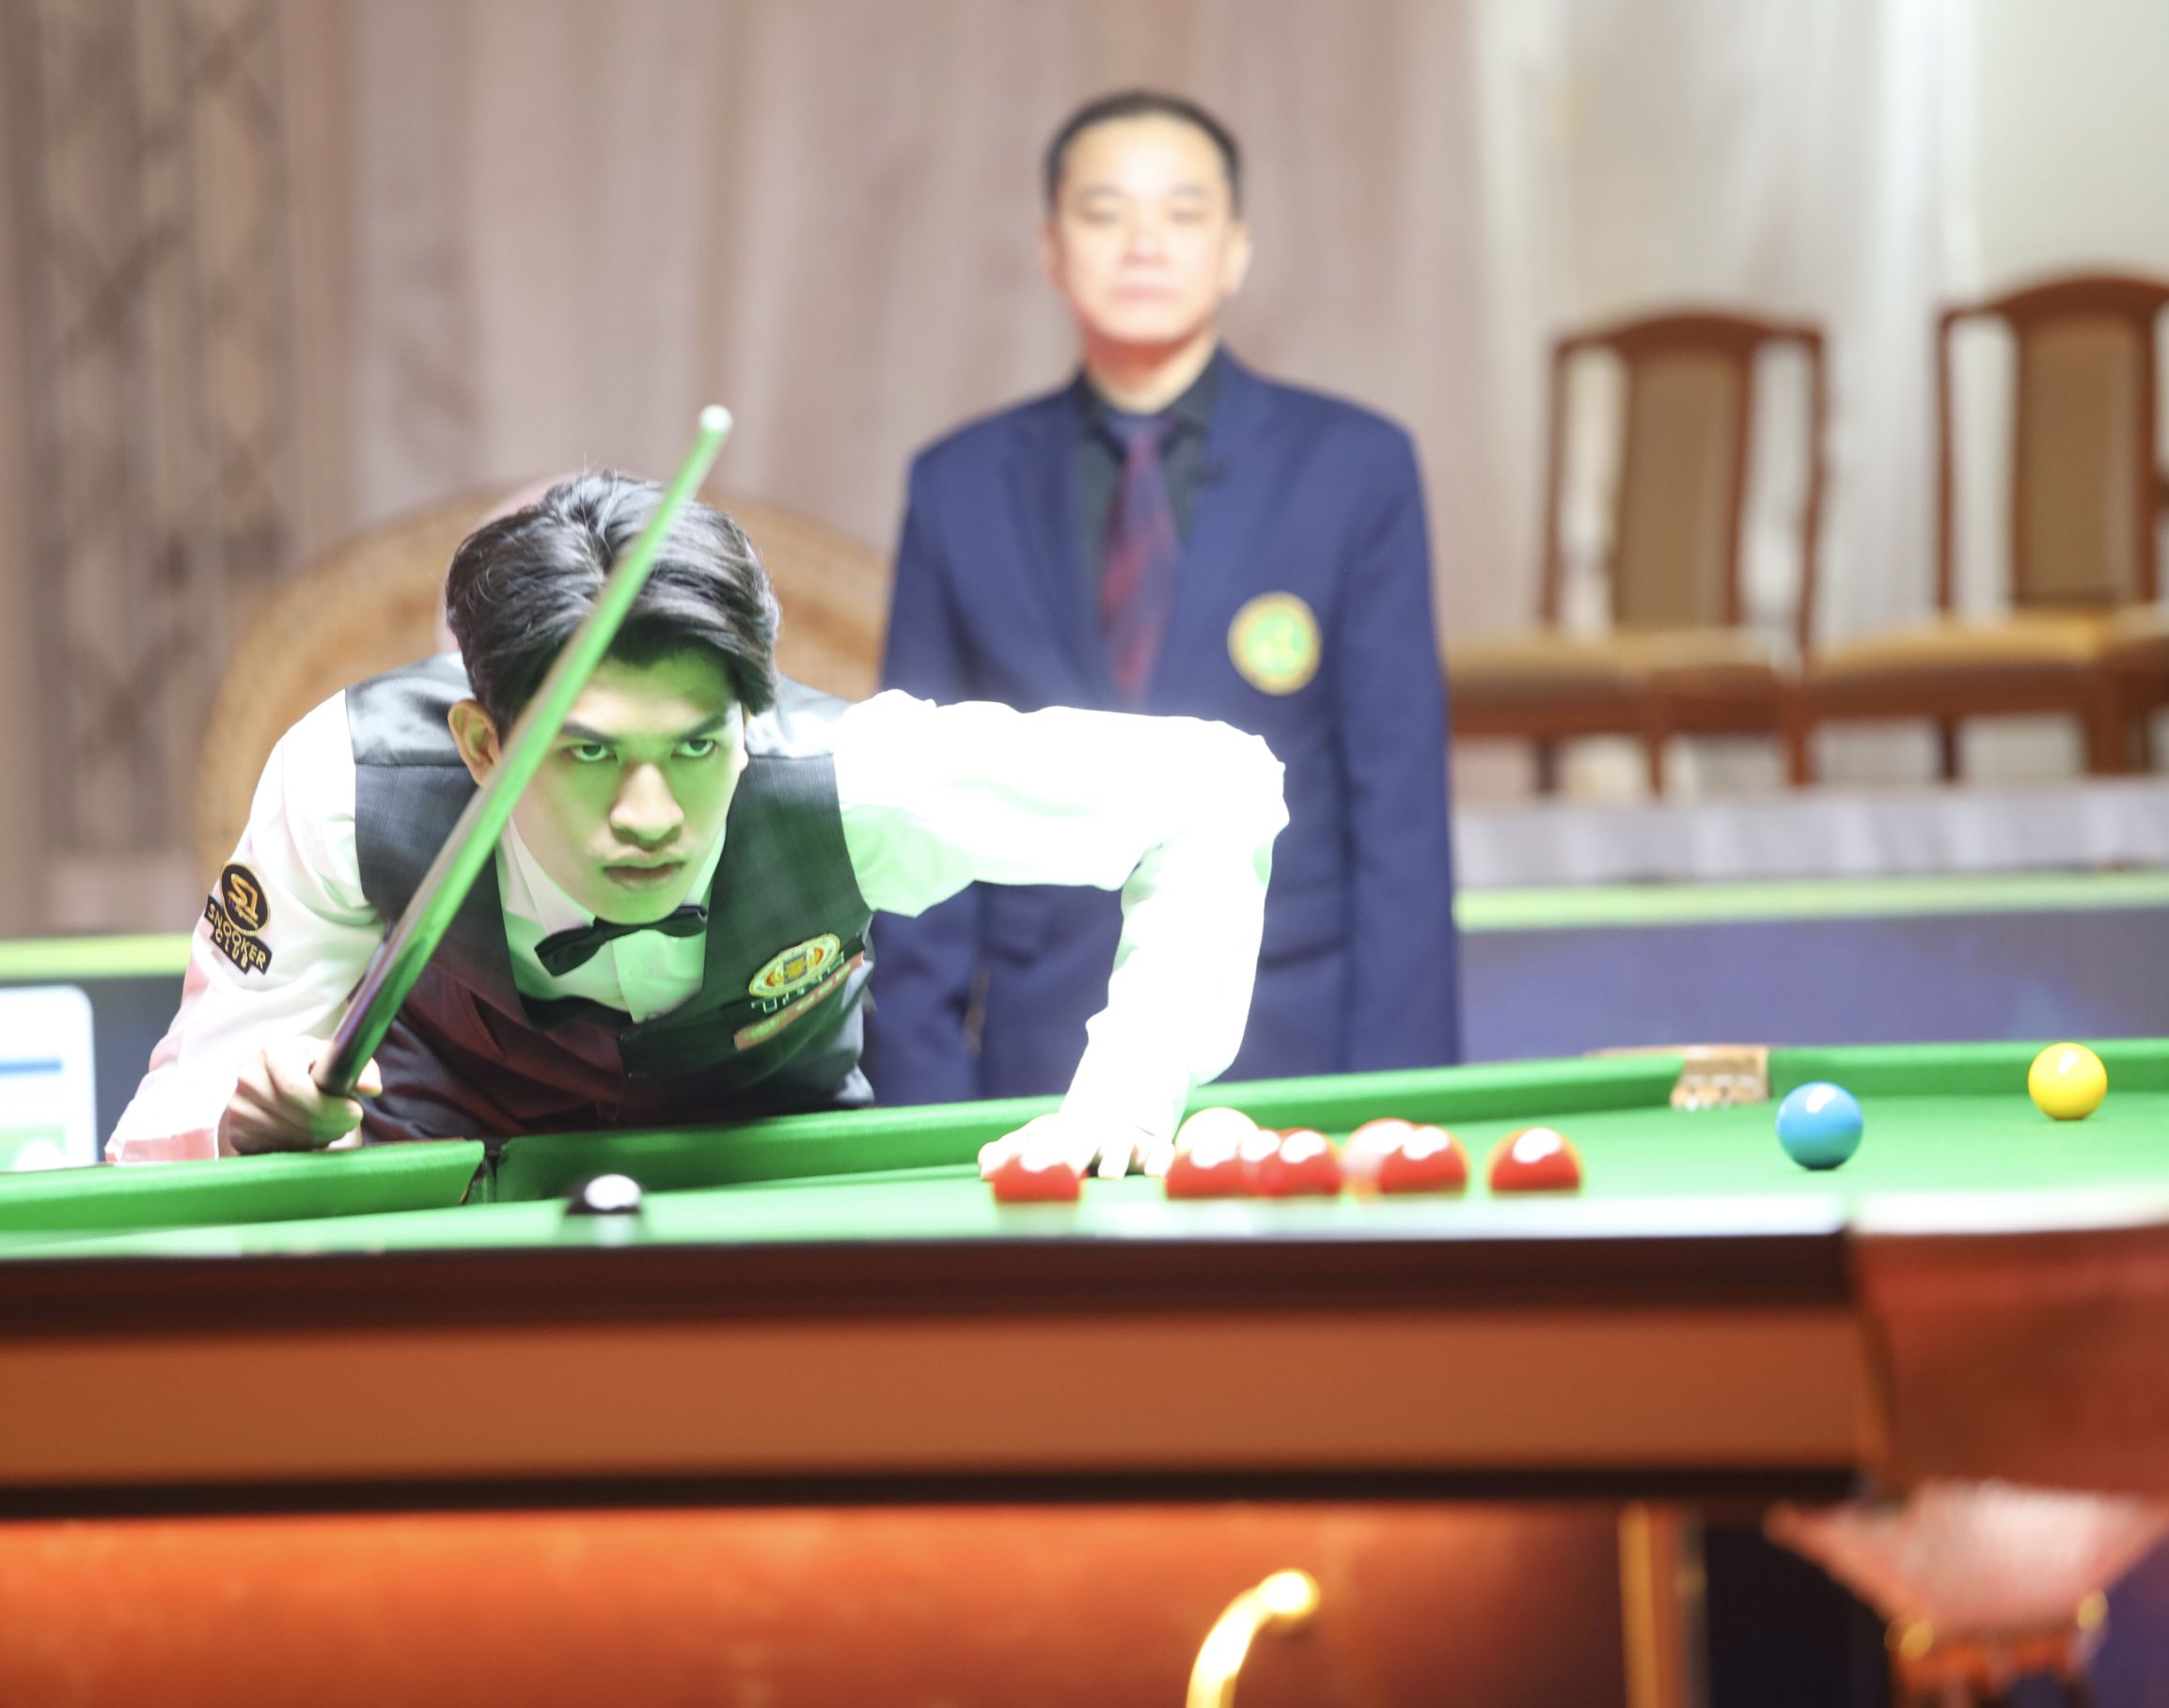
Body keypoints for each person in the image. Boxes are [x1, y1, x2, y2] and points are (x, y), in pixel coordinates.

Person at [109, 472, 1286, 1179]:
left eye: (695, 746)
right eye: (587, 753)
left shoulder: (847, 778)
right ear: (483, 747)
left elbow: (1217, 783)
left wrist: (1133, 1084)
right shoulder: (350, 782)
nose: (651, 815)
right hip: (445, 1218)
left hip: (775, 1214)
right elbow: (168, 1126)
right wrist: (247, 1115)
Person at [871, 89, 1460, 1110]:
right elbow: (914, 799)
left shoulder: (1354, 468)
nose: (1143, 243)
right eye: (1105, 213)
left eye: (1182, 213)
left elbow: (1400, 818)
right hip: (1038, 1066)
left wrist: (1398, 1104)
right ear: (1053, 250)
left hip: (1291, 1049)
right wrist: (921, 1107)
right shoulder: (957, 485)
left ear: (1235, 251)